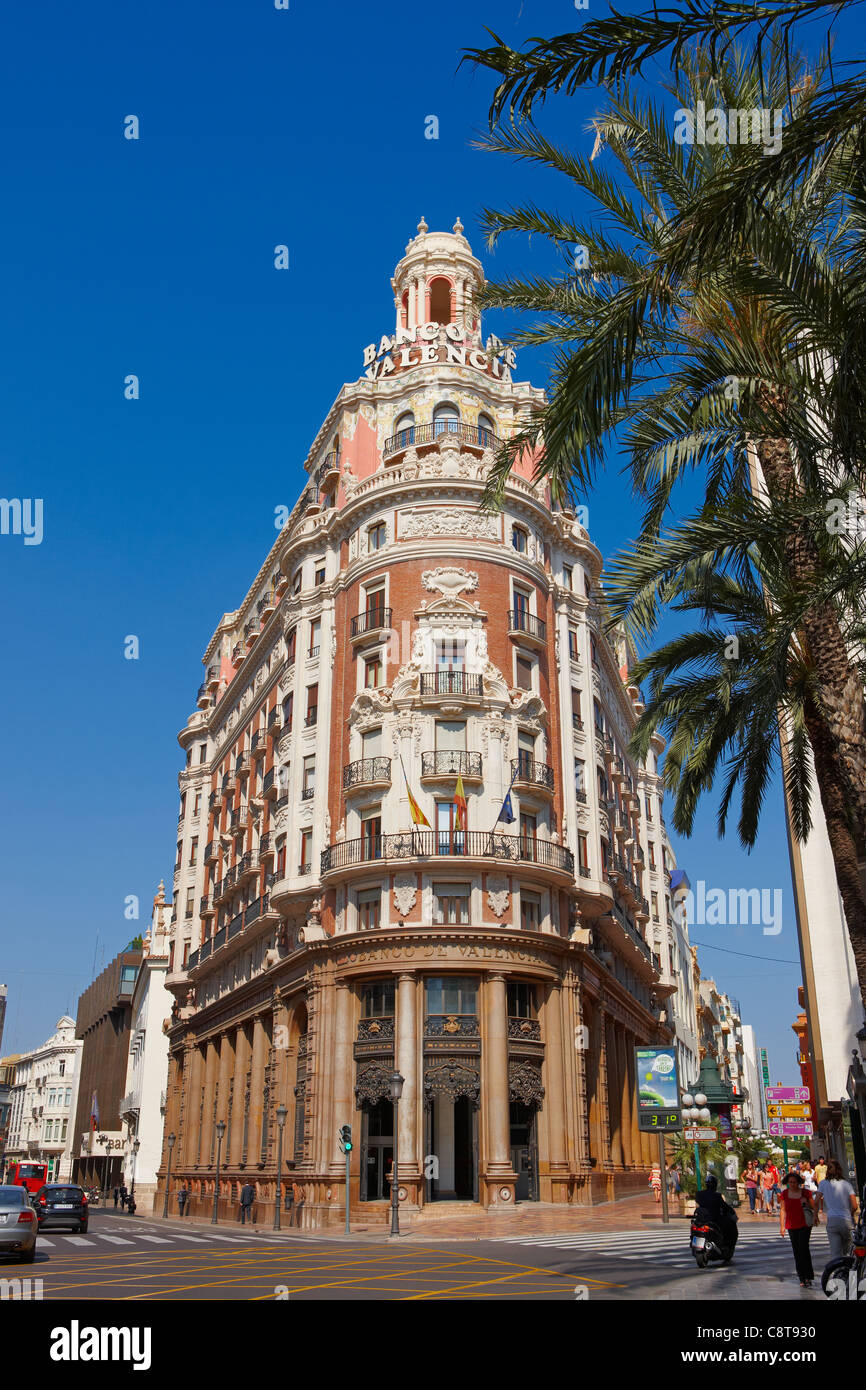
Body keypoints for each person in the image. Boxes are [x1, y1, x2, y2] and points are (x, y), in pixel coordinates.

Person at [779, 1170, 817, 1287]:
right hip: (791, 1225)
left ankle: (808, 1276)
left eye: (795, 1182)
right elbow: (782, 1210)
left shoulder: (806, 1193)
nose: (793, 1184)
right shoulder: (784, 1194)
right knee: (796, 1251)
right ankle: (801, 1277)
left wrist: (814, 1215)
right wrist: (782, 1226)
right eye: (790, 1182)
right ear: (787, 1183)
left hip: (804, 1224)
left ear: (799, 1182)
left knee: (804, 1249)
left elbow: (813, 1206)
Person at [816, 1159, 858, 1259]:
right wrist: (851, 1213)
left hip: (832, 1221)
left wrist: (814, 1215)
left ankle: (838, 1273)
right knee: (849, 1254)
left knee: (835, 1254)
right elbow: (855, 1206)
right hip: (846, 1220)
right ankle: (852, 1275)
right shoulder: (847, 1185)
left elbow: (816, 1201)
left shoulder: (823, 1184)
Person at [695, 1175, 738, 1253]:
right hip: (713, 1220)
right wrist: (731, 1211)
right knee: (730, 1225)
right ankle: (727, 1245)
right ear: (715, 1185)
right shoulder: (717, 1196)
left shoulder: (699, 1194)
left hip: (700, 1220)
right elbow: (724, 1205)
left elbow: (698, 1203)